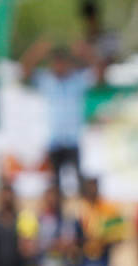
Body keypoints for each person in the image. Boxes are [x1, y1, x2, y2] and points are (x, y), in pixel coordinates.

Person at [20, 38, 103, 192]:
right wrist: (37, 52)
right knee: (54, 185)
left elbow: (99, 74)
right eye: (56, 63)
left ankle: (82, 213)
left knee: (79, 183)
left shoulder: (77, 80)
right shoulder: (47, 80)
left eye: (62, 63)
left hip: (72, 139)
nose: (59, 66)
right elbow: (24, 71)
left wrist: (87, 54)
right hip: (54, 141)